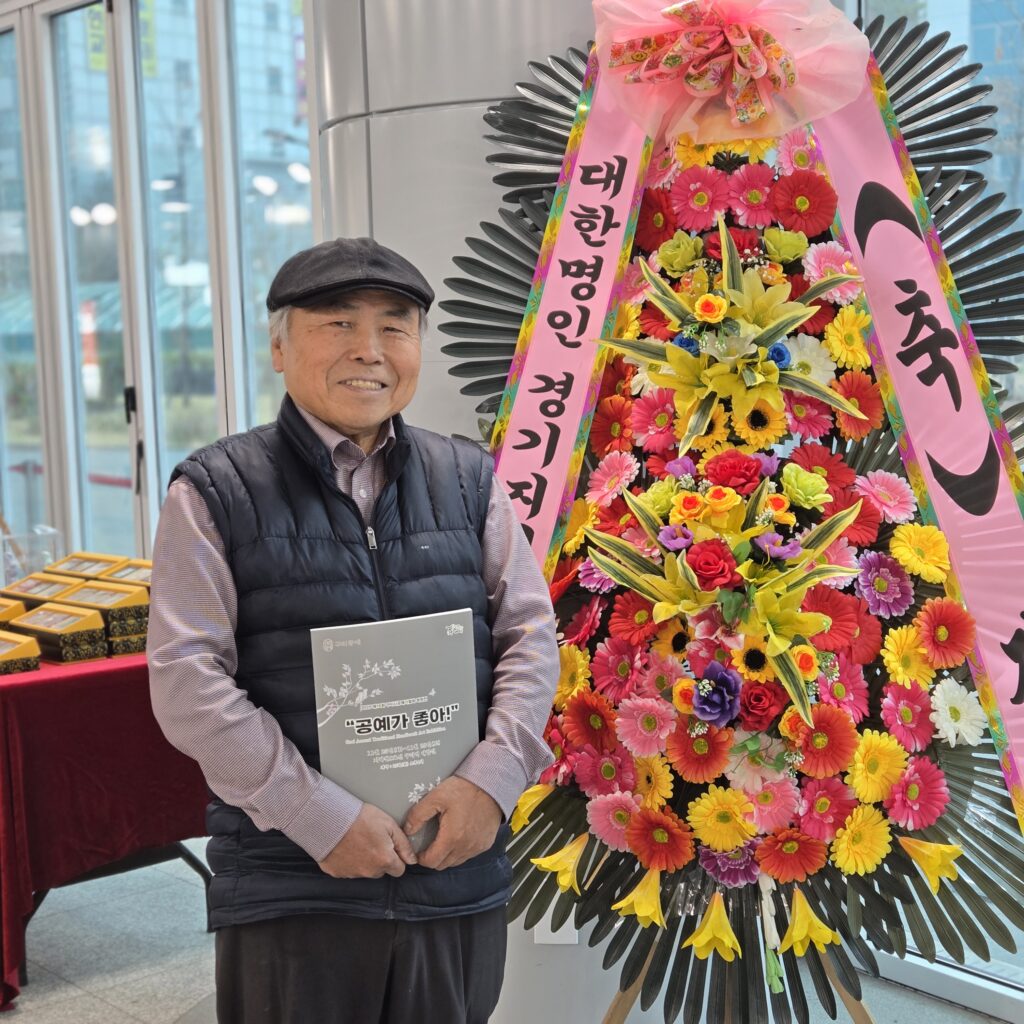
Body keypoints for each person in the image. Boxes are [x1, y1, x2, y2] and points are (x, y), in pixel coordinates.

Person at [147, 237, 559, 1024]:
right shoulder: (214, 492)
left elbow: (529, 636)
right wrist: (317, 817)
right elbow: (187, 684)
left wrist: (492, 782)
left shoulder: (470, 479)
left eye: (395, 326)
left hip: (451, 871)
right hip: (295, 883)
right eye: (337, 323)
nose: (369, 349)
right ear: (278, 347)